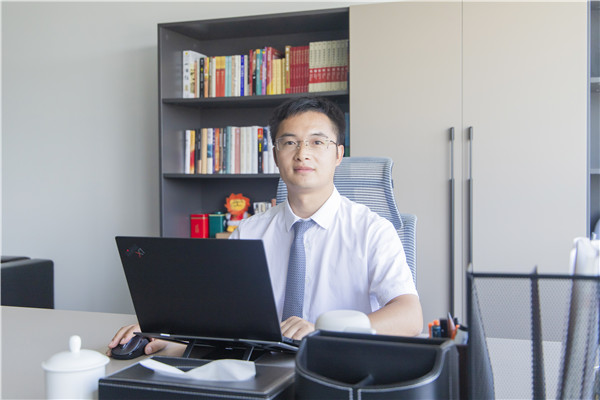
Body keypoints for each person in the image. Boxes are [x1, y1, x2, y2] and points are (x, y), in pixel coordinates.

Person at [108, 96, 422, 357]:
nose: (302, 153)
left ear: (339, 154)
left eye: (317, 142)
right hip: (259, 369)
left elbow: (410, 317)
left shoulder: (372, 231)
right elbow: (220, 314)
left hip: (337, 368)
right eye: (290, 142)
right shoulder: (249, 232)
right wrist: (167, 335)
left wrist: (323, 331)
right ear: (275, 154)